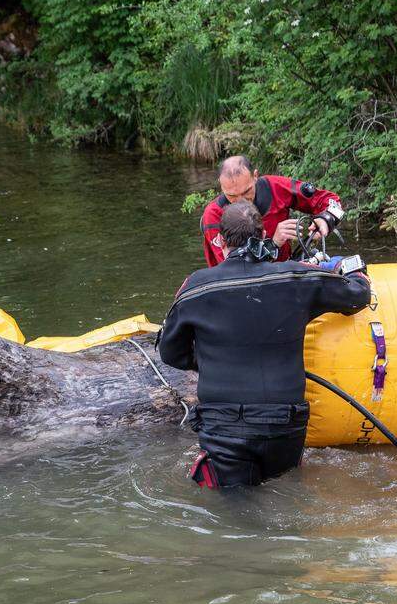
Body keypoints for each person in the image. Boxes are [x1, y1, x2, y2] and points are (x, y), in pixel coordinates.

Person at [158, 200, 371, 488]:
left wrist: (212, 358)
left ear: (220, 240)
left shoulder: (196, 287)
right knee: (286, 498)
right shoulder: (297, 276)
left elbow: (171, 353)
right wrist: (351, 267)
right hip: (285, 424)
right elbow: (357, 295)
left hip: (224, 428)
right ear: (264, 236)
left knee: (233, 514)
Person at [199, 155, 346, 266]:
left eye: (246, 192)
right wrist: (273, 244)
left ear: (255, 176)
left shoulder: (275, 188)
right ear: (221, 185)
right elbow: (232, 269)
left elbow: (331, 201)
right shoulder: (213, 215)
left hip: (282, 272)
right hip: (234, 288)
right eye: (231, 196)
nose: (241, 201)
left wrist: (325, 219)